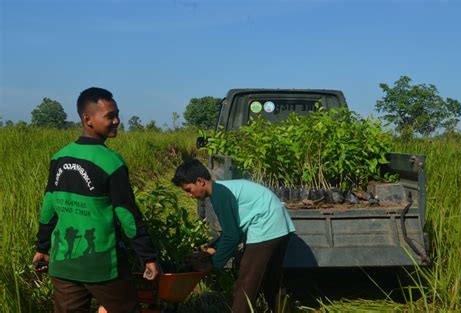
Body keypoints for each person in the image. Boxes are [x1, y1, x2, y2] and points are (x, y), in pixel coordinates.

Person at [32, 87, 159, 313]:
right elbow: (127, 214)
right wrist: (148, 256)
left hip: (63, 262)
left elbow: (48, 206)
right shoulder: (111, 162)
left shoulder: (60, 157)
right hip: (101, 265)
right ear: (87, 119)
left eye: (117, 114)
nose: (117, 121)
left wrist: (42, 246)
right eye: (110, 116)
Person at [172, 159, 295, 313]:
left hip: (266, 226)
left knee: (246, 282)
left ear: (200, 181)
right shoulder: (221, 189)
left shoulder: (219, 195)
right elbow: (231, 231)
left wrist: (213, 264)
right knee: (271, 280)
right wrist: (212, 249)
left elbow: (232, 236)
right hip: (279, 225)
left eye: (189, 190)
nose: (189, 195)